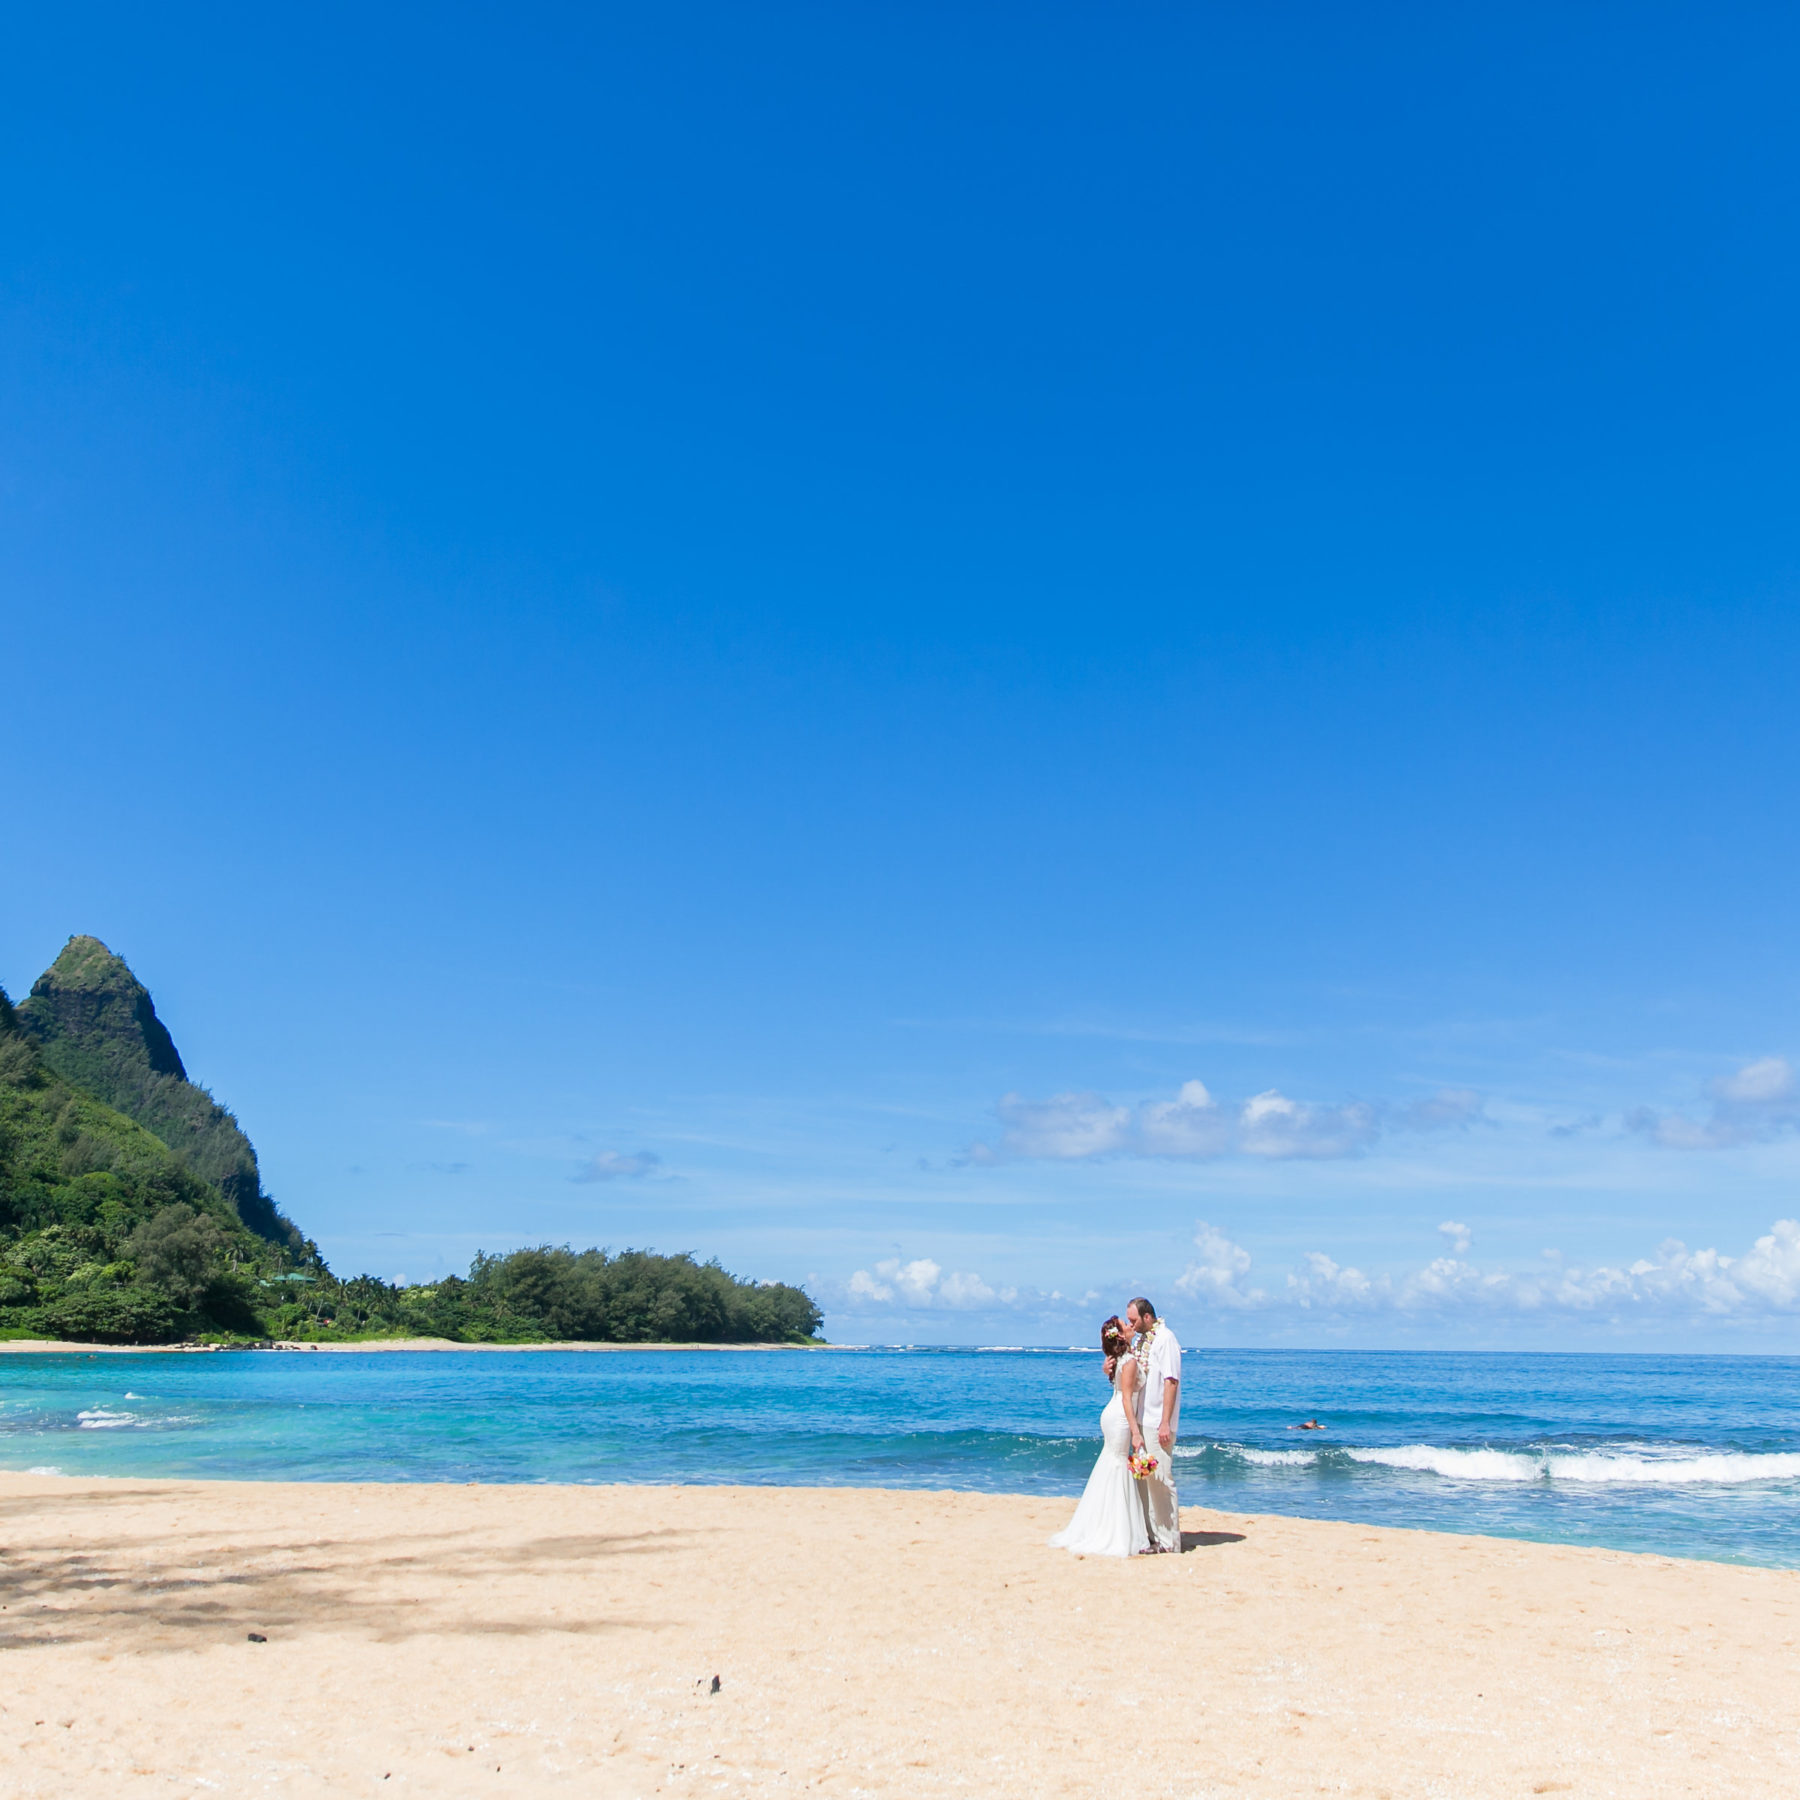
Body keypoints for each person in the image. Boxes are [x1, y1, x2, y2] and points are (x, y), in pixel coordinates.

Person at [1048, 1316, 1152, 1558]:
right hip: (1119, 1418)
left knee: (1111, 1465)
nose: (1129, 1325)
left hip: (1113, 1414)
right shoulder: (1129, 1362)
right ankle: (1114, 1529)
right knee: (1117, 1466)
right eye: (1125, 1324)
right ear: (1121, 1335)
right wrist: (1136, 1432)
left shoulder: (1122, 1360)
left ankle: (1105, 1522)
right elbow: (1127, 1398)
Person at [1127, 1296, 1182, 1553]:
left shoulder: (1165, 1339)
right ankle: (1152, 1535)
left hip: (1156, 1420)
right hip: (1141, 1419)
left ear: (1147, 1317)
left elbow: (1171, 1381)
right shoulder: (1141, 1342)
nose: (1132, 1324)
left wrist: (1164, 1422)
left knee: (1160, 1479)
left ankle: (1168, 1541)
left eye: (1134, 1320)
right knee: (1144, 1478)